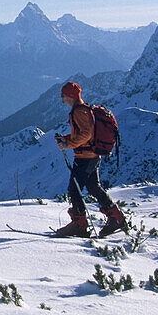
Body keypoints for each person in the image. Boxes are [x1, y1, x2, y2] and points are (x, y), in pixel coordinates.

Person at [53, 81, 127, 237]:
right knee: (93, 187)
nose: (61, 97)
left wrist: (69, 144)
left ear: (70, 96)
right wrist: (66, 139)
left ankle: (79, 225)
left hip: (84, 158)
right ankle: (116, 217)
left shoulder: (79, 112)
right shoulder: (84, 110)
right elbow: (84, 134)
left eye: (63, 95)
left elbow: (86, 135)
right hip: (92, 156)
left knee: (74, 189)